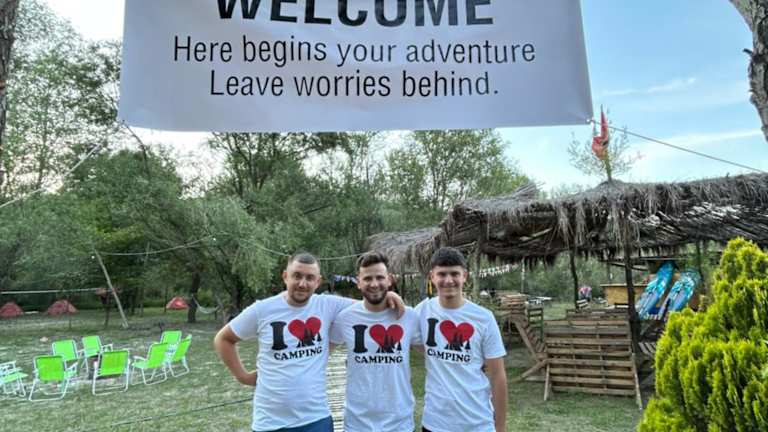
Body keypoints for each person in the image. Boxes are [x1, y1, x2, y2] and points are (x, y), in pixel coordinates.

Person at [213, 252, 404, 432]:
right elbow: (224, 339)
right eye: (297, 276)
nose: (302, 284)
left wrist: (388, 295)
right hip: (270, 422)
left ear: (318, 281)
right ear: (285, 276)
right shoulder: (262, 310)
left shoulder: (328, 305)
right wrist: (243, 376)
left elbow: (369, 307)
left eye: (310, 278)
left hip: (316, 419)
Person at [415, 247, 508, 432]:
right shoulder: (421, 311)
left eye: (454, 274)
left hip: (476, 422)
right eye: (442, 274)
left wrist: (500, 426)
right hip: (435, 423)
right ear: (432, 277)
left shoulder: (484, 318)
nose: (448, 280)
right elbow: (399, 328)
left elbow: (497, 375)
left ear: (465, 276)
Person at [329, 252, 420, 432]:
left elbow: (435, 355)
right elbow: (319, 354)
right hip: (357, 424)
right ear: (358, 282)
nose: (374, 284)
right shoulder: (345, 318)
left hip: (399, 423)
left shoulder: (409, 316)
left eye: (379, 277)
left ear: (389, 279)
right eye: (367, 278)